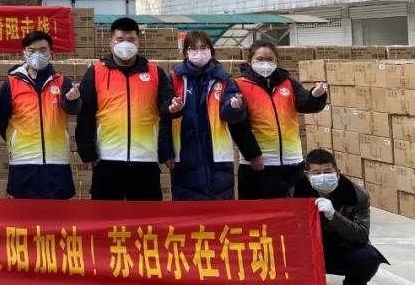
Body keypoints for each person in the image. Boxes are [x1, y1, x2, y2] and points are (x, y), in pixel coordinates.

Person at [75, 17, 180, 201]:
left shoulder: (155, 72)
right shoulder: (96, 72)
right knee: (107, 216)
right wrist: (87, 152)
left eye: (131, 40)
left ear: (138, 42)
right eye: (120, 39)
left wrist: (173, 108)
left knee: (147, 217)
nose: (125, 44)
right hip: (107, 159)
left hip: (145, 159)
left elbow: (166, 109)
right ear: (111, 42)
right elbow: (85, 115)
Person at [169, 31, 262, 200]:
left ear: (211, 51)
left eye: (203, 47)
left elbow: (236, 120)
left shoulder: (224, 80)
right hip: (186, 154)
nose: (199, 52)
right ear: (186, 52)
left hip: (218, 158)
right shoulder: (175, 79)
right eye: (193, 48)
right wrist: (166, 150)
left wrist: (234, 107)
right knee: (188, 210)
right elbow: (163, 116)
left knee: (221, 207)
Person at [233, 40, 328, 199]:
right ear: (250, 61)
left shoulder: (288, 83)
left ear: (276, 61)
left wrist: (315, 95)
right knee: (261, 212)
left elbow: (304, 103)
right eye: (260, 59)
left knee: (294, 210)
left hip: (292, 162)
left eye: (270, 59)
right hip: (258, 165)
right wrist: (253, 155)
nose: (265, 64)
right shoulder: (239, 85)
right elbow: (238, 125)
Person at [292, 149, 389, 285]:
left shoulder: (356, 195)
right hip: (309, 251)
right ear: (307, 175)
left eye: (327, 172)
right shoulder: (295, 193)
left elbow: (361, 235)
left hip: (342, 249)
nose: (323, 176)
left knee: (367, 257)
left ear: (337, 173)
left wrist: (333, 216)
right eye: (316, 173)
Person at [0, 30, 81, 199]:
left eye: (42, 50)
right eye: (32, 50)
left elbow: (72, 109)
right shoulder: (11, 84)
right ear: (24, 53)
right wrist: (16, 139)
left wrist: (72, 99)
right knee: (24, 213)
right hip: (23, 162)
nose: (37, 55)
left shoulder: (62, 81)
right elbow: (2, 120)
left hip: (56, 161)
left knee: (57, 212)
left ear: (50, 53)